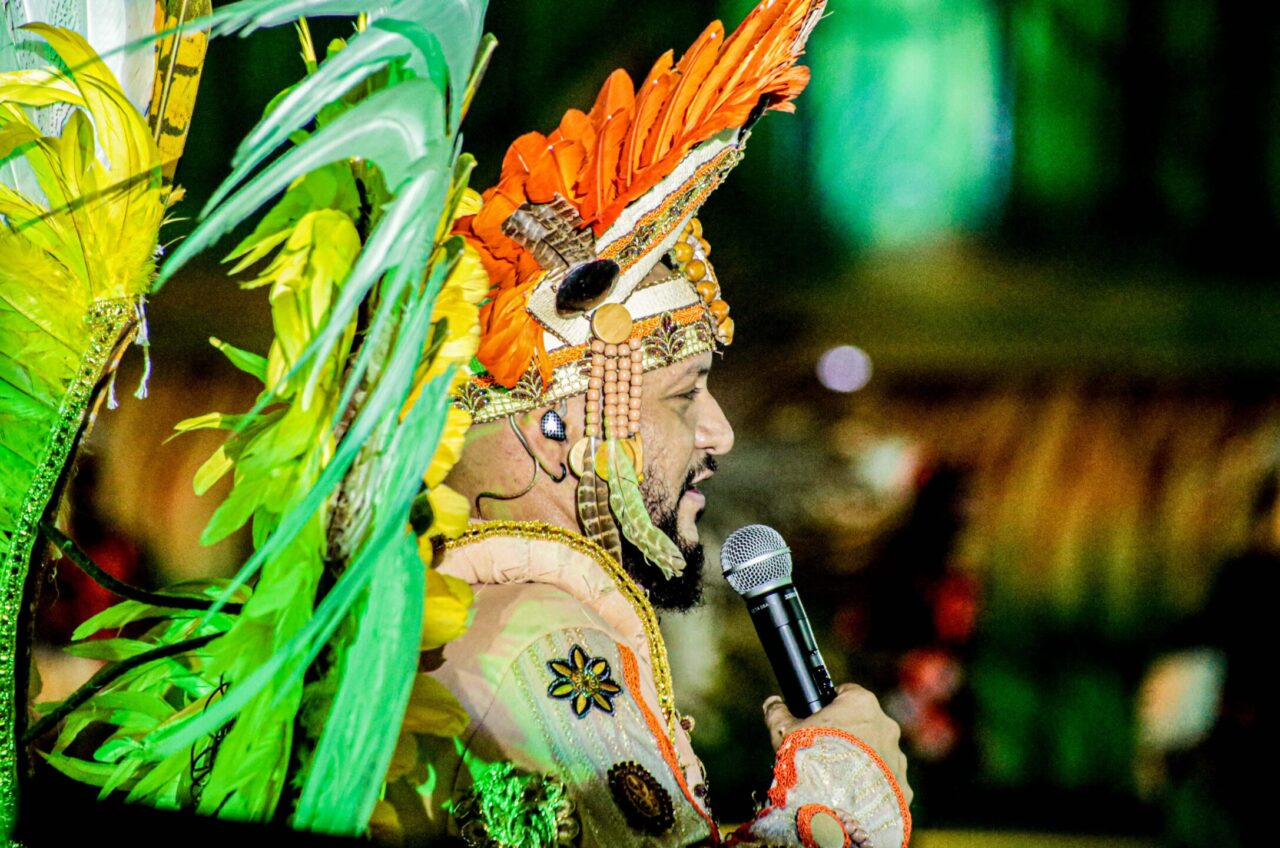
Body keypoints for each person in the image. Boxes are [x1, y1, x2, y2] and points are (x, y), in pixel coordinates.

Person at [372, 1, 914, 845]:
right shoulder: (539, 639)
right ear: (559, 429)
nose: (719, 434)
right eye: (685, 394)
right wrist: (844, 799)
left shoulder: (454, 620)